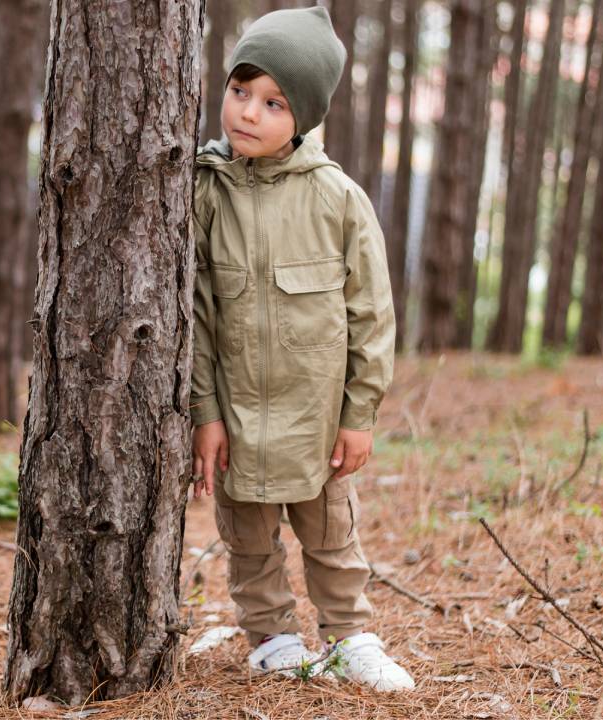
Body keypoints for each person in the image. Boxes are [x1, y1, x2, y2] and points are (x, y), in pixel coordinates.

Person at [189, 5, 414, 692]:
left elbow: (371, 314)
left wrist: (360, 413)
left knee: (332, 541)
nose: (248, 112)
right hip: (238, 420)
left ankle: (351, 636)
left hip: (315, 423)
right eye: (239, 91)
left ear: (305, 116)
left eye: (274, 102)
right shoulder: (204, 191)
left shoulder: (338, 200)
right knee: (250, 543)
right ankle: (274, 638)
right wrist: (205, 411)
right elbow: (194, 313)